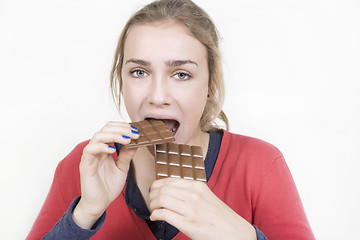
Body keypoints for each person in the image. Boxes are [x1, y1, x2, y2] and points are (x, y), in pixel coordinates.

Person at [27, 0, 315, 239]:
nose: (158, 95)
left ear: (211, 85)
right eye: (139, 72)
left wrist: (241, 235)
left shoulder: (260, 165)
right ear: (121, 81)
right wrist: (85, 214)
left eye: (181, 74)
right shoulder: (87, 163)